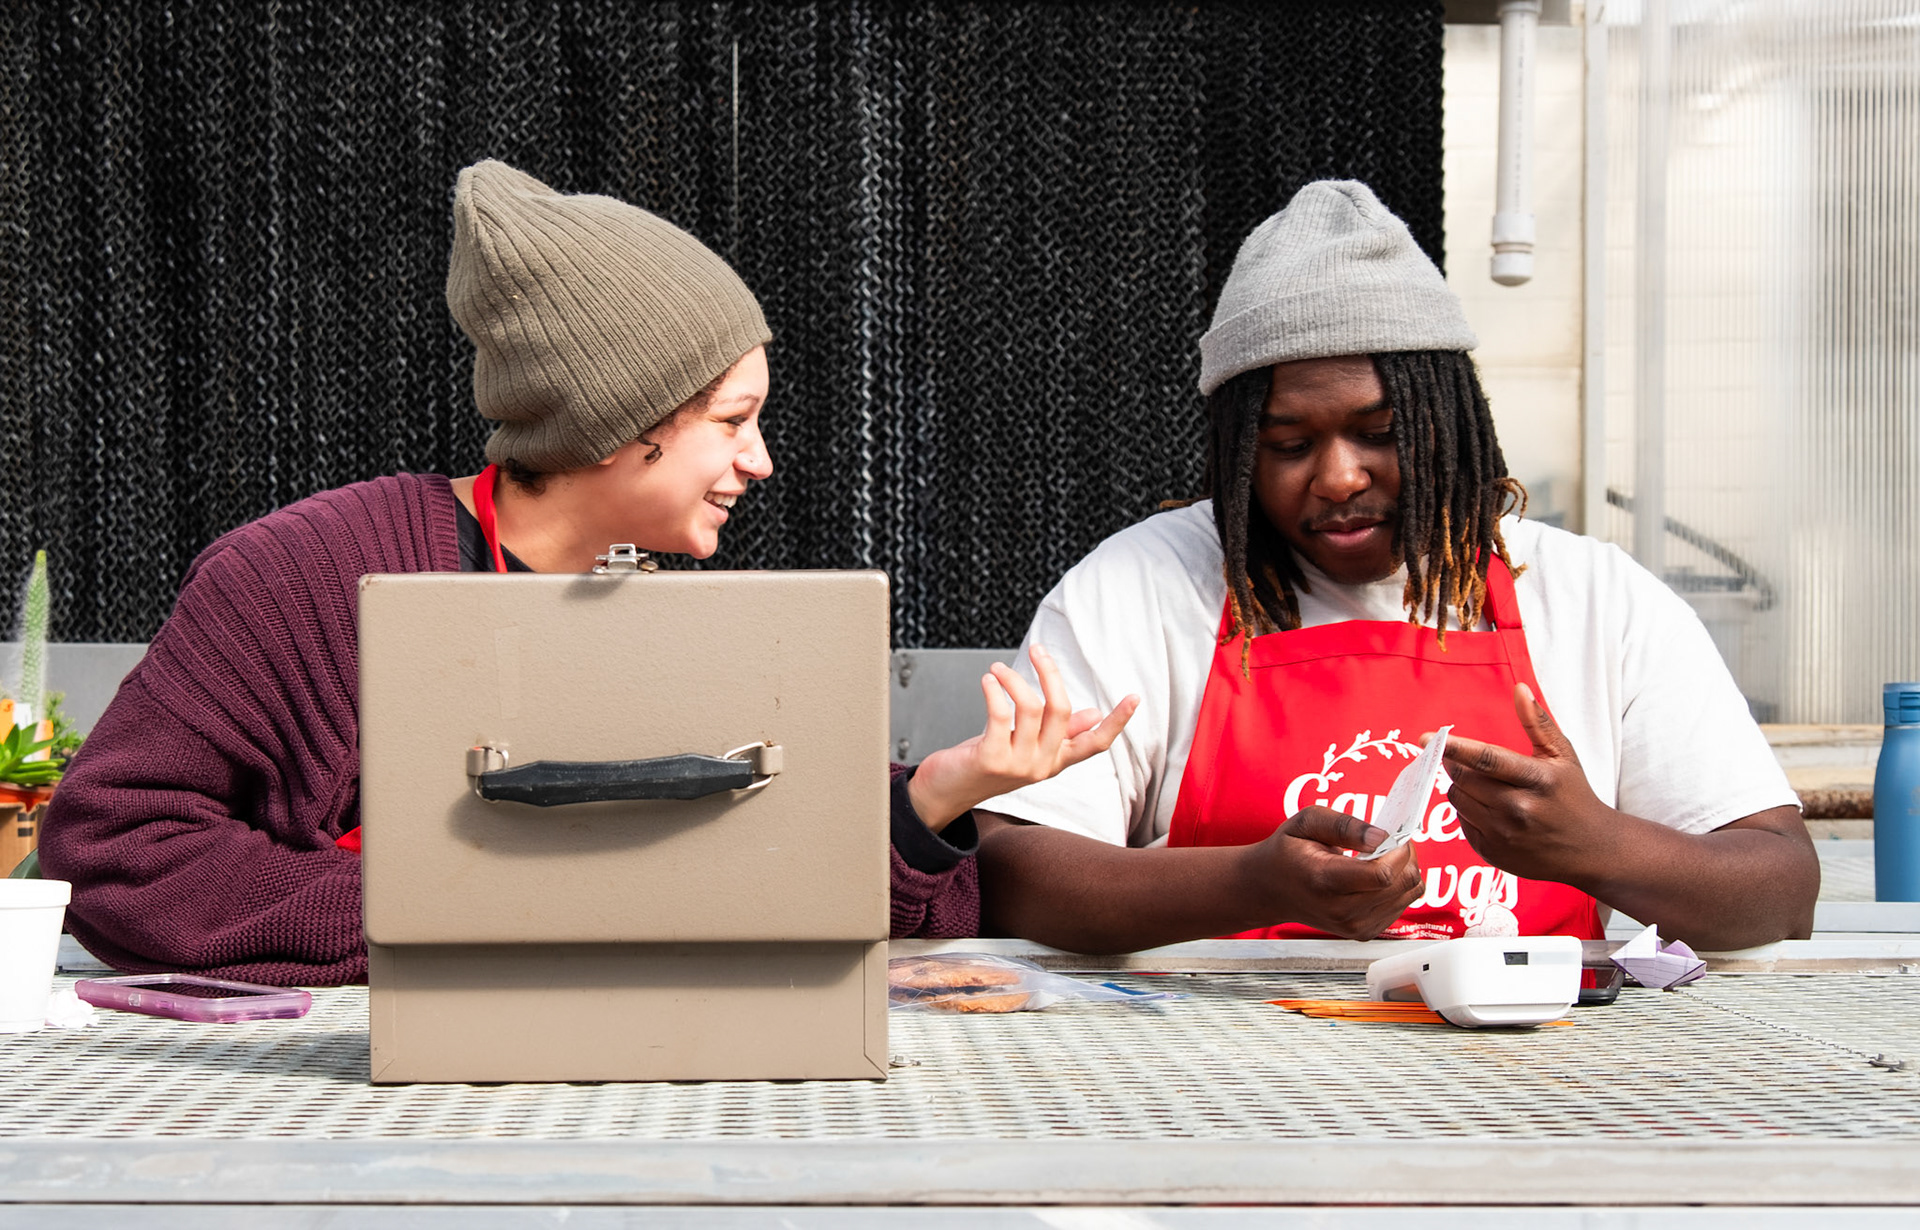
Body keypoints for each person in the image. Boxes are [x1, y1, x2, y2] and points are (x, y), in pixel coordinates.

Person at [37, 160, 1133, 985]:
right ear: (617, 427)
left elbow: (782, 886)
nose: (760, 460)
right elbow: (109, 849)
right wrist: (452, 908)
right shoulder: (309, 576)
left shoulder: (664, 614)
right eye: (732, 420)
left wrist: (943, 793)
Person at [972, 180, 1817, 955]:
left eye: (1380, 432)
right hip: (1219, 1077)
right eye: (1288, 445)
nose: (1339, 477)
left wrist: (1596, 844)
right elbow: (1012, 869)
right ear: (1236, 455)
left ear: (1451, 421)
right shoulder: (1143, 588)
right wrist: (1250, 884)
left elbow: (1778, 890)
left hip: (1535, 1083)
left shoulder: (1595, 599)